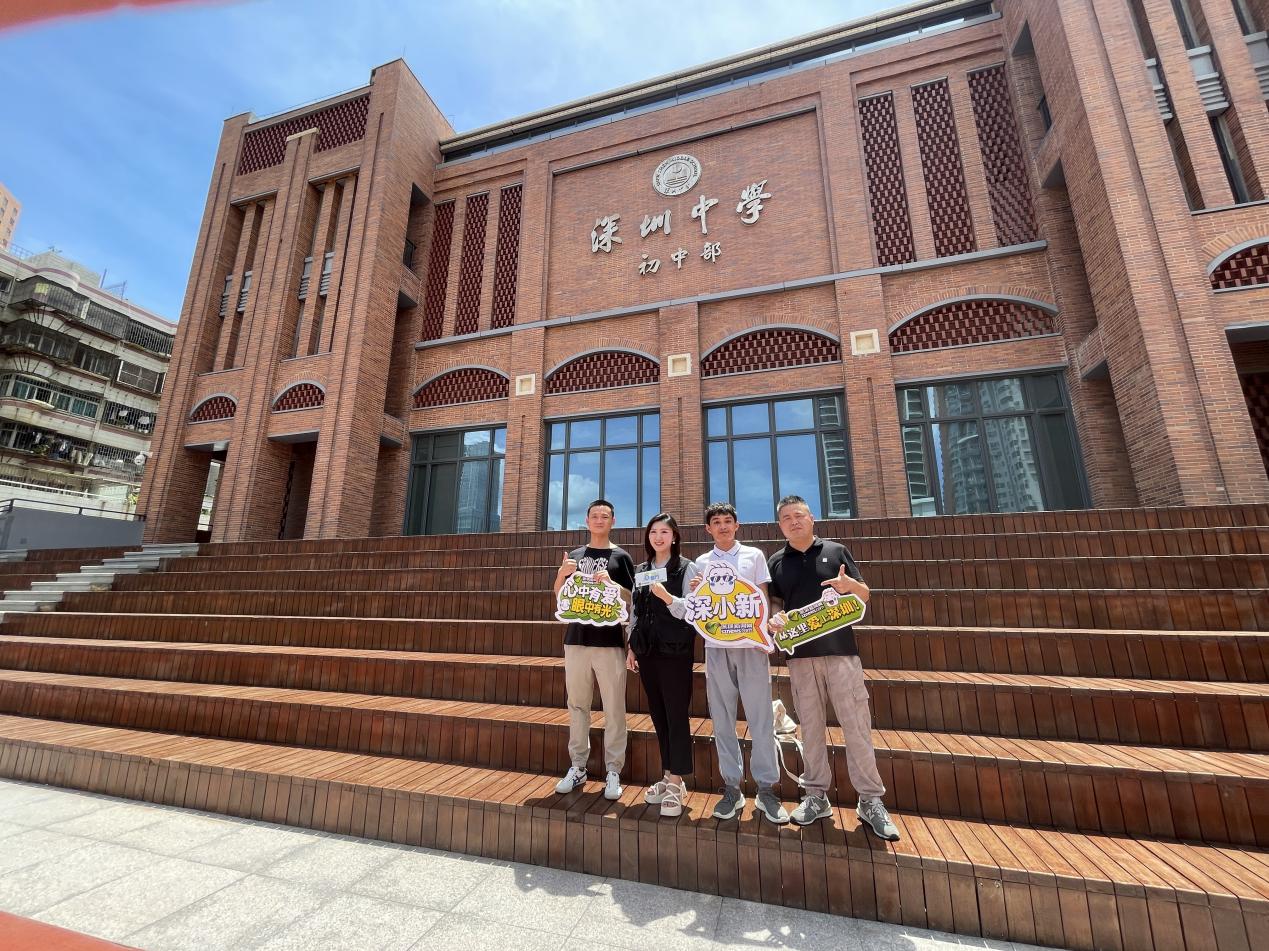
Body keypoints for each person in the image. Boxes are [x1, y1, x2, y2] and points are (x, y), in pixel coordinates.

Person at [767, 494, 900, 840]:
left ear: (811, 518)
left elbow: (864, 593)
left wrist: (849, 585)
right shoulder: (776, 561)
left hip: (841, 653)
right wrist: (774, 618)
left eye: (799, 515)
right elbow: (775, 602)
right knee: (810, 728)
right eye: (786, 518)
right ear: (780, 525)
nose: (794, 521)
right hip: (800, 657)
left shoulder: (836, 551)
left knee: (856, 726)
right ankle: (816, 796)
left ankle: (870, 800)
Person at [694, 502, 788, 824]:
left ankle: (766, 789)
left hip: (750, 646)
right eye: (716, 522)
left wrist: (765, 637)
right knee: (722, 720)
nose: (722, 526)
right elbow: (699, 605)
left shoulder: (754, 556)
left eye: (727, 521)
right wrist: (696, 593)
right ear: (708, 529)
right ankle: (732, 788)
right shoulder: (701, 562)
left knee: (760, 717)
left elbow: (762, 598)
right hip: (716, 647)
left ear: (737, 525)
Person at [553, 498, 636, 800]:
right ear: (587, 521)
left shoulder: (621, 557)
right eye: (595, 516)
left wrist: (613, 585)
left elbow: (632, 599)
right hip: (576, 640)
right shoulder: (575, 556)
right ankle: (578, 766)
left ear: (613, 521)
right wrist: (561, 574)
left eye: (605, 516)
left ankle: (614, 769)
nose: (599, 520)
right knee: (577, 705)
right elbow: (559, 595)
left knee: (614, 707)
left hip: (609, 643)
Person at [626, 513, 699, 817]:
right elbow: (635, 611)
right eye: (654, 532)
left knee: (676, 714)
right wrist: (631, 646)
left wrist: (668, 598)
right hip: (647, 652)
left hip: (675, 653)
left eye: (664, 532)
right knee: (658, 714)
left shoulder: (686, 568)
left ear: (674, 536)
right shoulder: (641, 570)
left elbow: (693, 611)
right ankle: (668, 774)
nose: (658, 537)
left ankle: (677, 780)